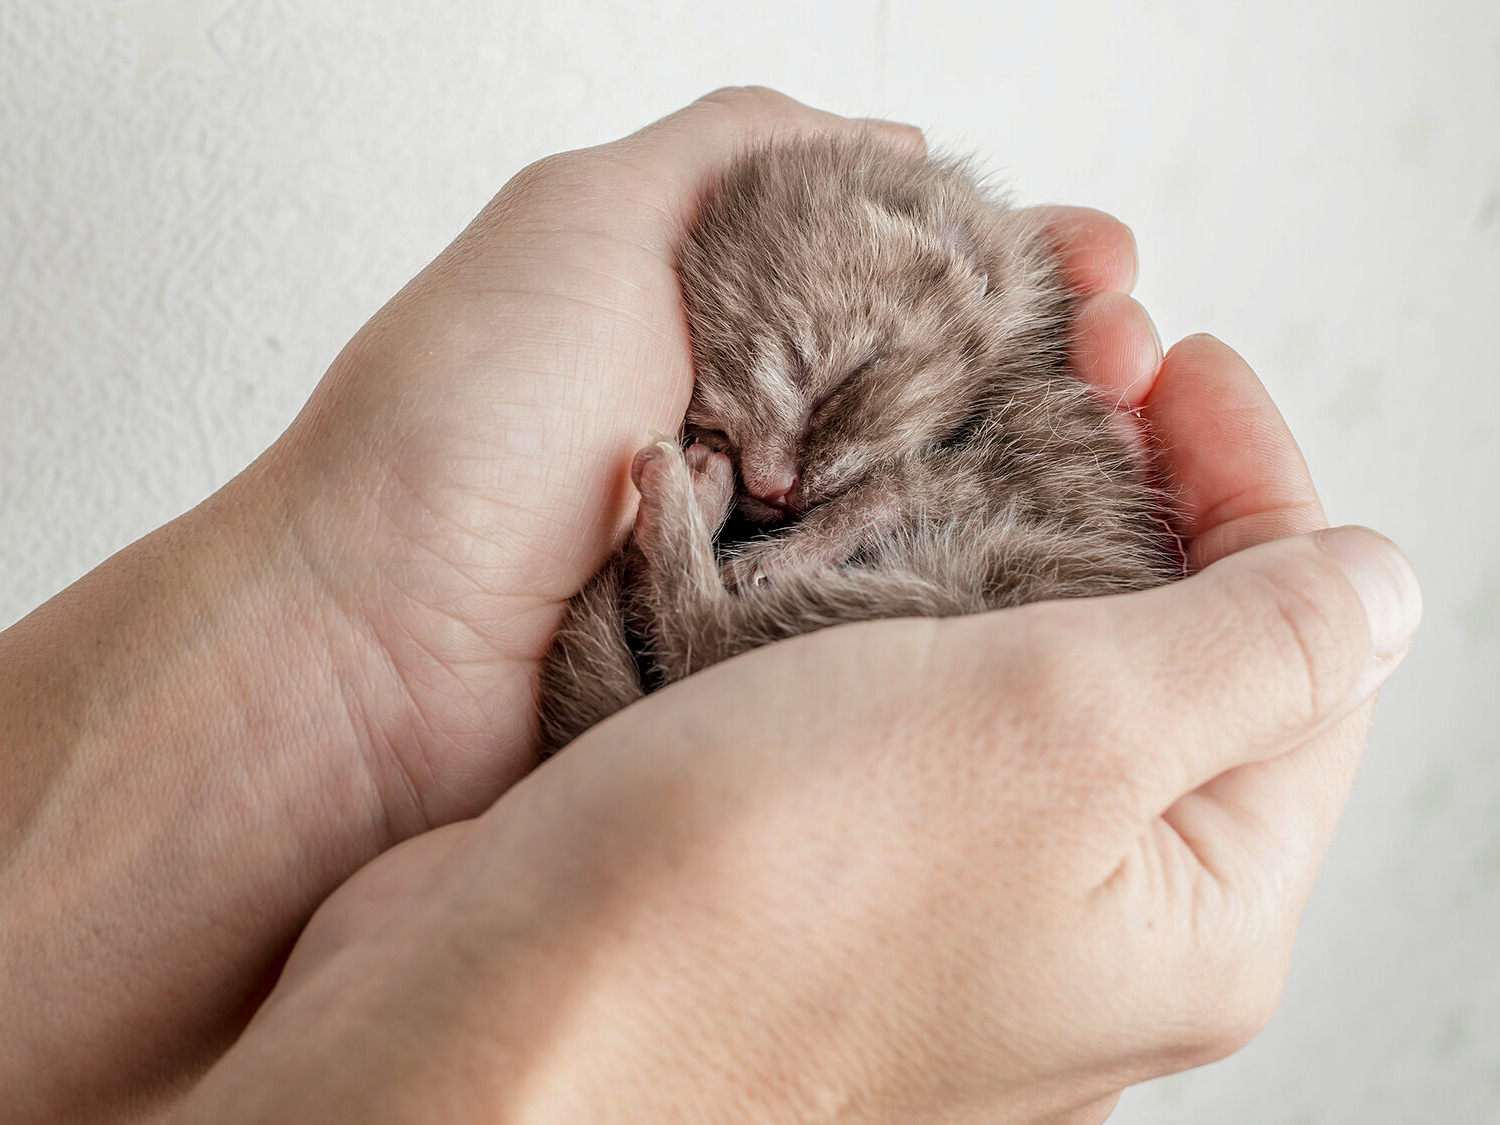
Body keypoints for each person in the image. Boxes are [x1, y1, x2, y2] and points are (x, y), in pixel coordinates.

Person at [0, 88, 1420, 1124]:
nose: (780, 471)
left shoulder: (983, 370)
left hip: (966, 590)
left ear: (965, 286)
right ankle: (691, 628)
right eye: (742, 409)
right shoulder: (802, 362)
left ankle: (689, 623)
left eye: (813, 388)